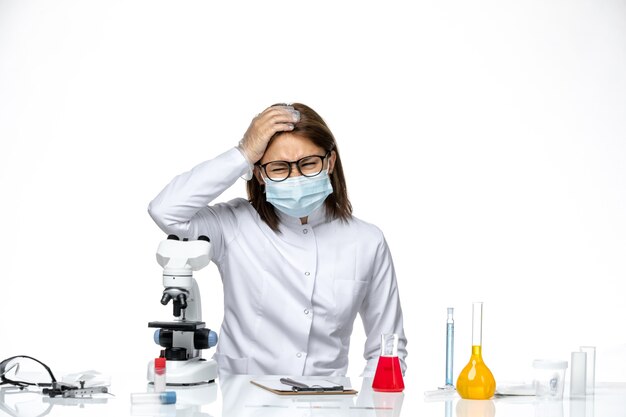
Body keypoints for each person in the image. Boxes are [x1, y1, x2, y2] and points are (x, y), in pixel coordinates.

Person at [148, 103, 407, 377]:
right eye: (279, 168)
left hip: (327, 403)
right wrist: (243, 153)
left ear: (329, 163)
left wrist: (369, 406)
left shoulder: (367, 241)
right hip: (243, 401)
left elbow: (387, 347)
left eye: (308, 164)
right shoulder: (234, 224)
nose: (295, 177)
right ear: (259, 174)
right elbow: (165, 211)